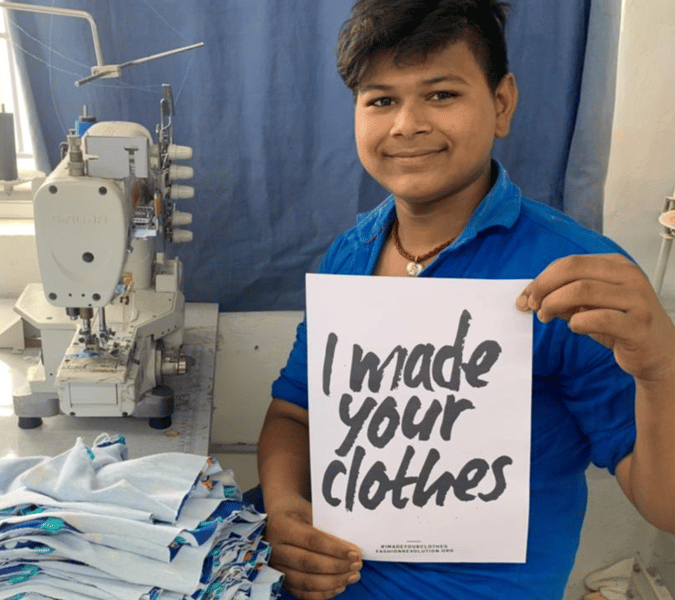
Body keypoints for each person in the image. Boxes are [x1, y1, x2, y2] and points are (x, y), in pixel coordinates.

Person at [256, 1, 675, 599]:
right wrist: (287, 508)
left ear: (501, 103)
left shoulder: (571, 275)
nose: (406, 125)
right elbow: (293, 414)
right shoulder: (350, 256)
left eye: (442, 94)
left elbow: (664, 504)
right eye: (380, 100)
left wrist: (662, 366)